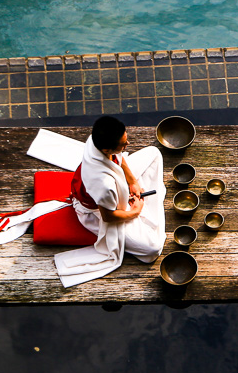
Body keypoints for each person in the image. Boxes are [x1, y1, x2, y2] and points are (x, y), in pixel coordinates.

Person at [56, 116, 166, 283]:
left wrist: (132, 182)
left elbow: (119, 159)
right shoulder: (104, 184)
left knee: (154, 153)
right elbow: (109, 217)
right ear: (107, 150)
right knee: (153, 248)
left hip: (114, 187)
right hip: (97, 213)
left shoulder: (95, 140)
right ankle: (144, 215)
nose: (127, 145)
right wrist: (136, 211)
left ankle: (142, 207)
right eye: (123, 144)